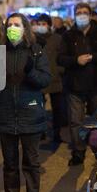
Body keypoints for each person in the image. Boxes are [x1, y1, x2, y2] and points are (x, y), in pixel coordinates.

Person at [0, 13, 50, 192]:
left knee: (32, 164)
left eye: (17, 24)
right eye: (9, 25)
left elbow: (44, 80)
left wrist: (30, 71)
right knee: (9, 164)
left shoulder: (35, 51)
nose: (12, 28)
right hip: (6, 114)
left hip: (30, 114)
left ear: (25, 28)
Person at [57, 2, 97, 166]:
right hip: (74, 86)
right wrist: (76, 60)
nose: (81, 14)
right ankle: (78, 152)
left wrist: (93, 57)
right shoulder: (68, 35)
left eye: (85, 12)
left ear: (90, 15)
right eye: (79, 12)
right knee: (76, 121)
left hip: (96, 84)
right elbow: (60, 58)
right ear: (75, 15)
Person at [37, 14, 67, 143]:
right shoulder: (34, 39)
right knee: (39, 108)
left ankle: (56, 133)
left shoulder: (57, 38)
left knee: (57, 109)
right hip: (39, 78)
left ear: (49, 25)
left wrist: (60, 71)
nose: (41, 26)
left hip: (55, 78)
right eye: (39, 24)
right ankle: (41, 132)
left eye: (44, 24)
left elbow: (62, 56)